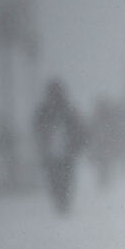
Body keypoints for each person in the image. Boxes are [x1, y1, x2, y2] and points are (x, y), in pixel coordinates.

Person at [33, 78, 85, 214]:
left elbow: (78, 129)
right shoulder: (44, 111)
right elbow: (37, 129)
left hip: (66, 151)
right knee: (54, 179)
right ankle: (60, 201)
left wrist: (76, 144)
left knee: (65, 179)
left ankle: (63, 202)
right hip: (52, 152)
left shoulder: (67, 109)